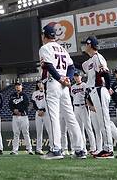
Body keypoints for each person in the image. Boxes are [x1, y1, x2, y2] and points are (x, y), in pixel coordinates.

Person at [39, 25, 85, 160]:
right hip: (64, 85)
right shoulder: (62, 49)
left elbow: (48, 65)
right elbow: (71, 67)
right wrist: (68, 79)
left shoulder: (45, 48)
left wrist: (59, 78)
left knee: (53, 117)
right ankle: (80, 150)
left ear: (44, 36)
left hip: (53, 83)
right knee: (70, 117)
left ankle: (56, 149)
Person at [70, 72, 96, 155]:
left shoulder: (85, 85)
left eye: (77, 76)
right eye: (75, 76)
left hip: (83, 107)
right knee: (79, 129)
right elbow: (73, 96)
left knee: (88, 128)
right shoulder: (72, 87)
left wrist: (88, 104)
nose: (76, 77)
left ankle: (93, 148)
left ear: (80, 77)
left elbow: (88, 96)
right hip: (76, 107)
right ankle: (83, 148)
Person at [8, 82, 32, 155]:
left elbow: (26, 104)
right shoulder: (12, 96)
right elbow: (10, 105)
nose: (18, 87)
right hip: (15, 116)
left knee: (26, 132)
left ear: (21, 87)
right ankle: (14, 150)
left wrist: (20, 110)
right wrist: (14, 110)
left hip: (23, 116)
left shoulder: (24, 95)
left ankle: (29, 149)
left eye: (19, 86)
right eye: (16, 86)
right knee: (16, 133)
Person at [31, 80, 51, 155]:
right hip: (38, 113)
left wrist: (43, 110)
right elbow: (33, 103)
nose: (39, 84)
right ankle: (38, 149)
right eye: (38, 83)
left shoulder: (47, 92)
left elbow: (49, 102)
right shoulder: (35, 93)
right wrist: (38, 110)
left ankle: (51, 147)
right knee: (39, 131)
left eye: (41, 83)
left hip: (46, 112)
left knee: (49, 130)